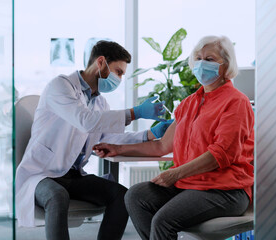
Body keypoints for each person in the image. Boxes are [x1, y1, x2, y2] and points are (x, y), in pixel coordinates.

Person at [93, 36, 254, 240]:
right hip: (189, 185)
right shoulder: (188, 104)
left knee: (163, 221)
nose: (202, 63)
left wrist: (175, 174)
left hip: (225, 190)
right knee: (135, 196)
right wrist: (118, 149)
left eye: (210, 59)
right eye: (198, 58)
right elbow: (161, 146)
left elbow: (220, 155)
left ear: (226, 65)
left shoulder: (236, 102)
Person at [15, 40, 173, 240]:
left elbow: (108, 137)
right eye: (118, 71)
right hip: (41, 175)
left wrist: (150, 135)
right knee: (57, 196)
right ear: (101, 62)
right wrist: (136, 112)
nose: (120, 78)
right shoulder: (60, 86)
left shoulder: (99, 102)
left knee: (121, 195)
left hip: (72, 176)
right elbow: (86, 121)